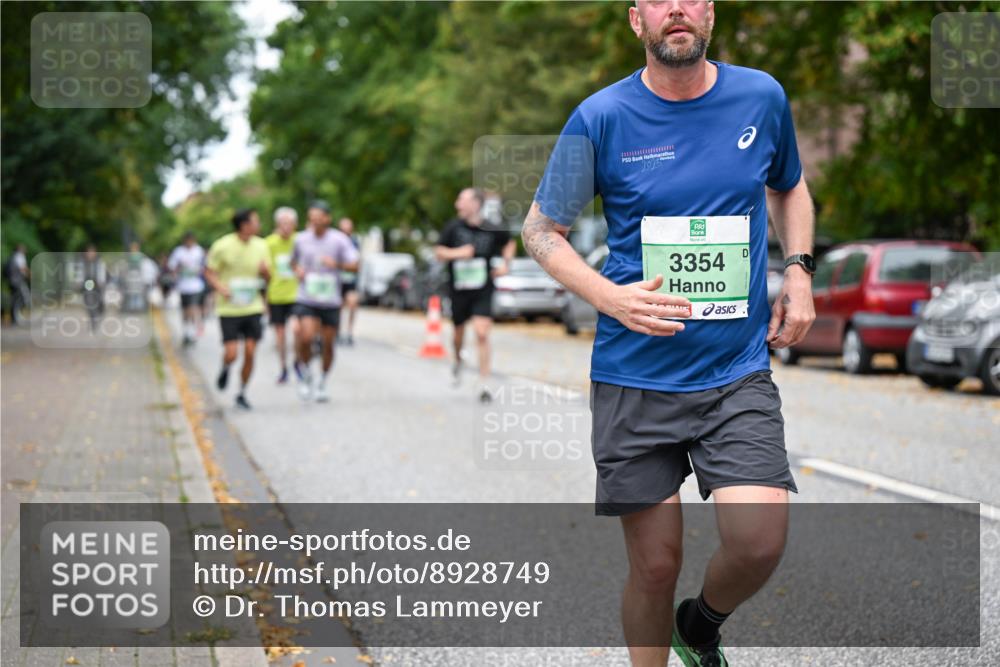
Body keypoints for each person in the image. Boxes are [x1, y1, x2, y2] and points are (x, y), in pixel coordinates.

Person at [522, 2, 817, 665]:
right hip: (635, 376)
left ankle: (700, 624)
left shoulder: (760, 97)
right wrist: (608, 296)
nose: (676, 8)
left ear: (710, 13)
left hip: (734, 371)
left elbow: (790, 187)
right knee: (655, 566)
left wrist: (799, 271)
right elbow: (540, 230)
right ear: (637, 20)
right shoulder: (600, 116)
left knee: (759, 541)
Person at [434, 187, 515, 403]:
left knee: (482, 332)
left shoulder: (491, 228)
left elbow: (509, 243)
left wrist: (506, 264)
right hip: (459, 289)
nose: (457, 204)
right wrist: (458, 253)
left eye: (462, 200)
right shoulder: (453, 227)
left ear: (476, 204)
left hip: (483, 287)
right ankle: (458, 360)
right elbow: (439, 252)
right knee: (458, 334)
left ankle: (484, 382)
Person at [291, 201, 360, 402]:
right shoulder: (301, 239)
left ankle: (322, 380)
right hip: (307, 297)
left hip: (330, 300)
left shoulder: (339, 240)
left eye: (319, 217)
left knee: (328, 345)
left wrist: (336, 264)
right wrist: (298, 270)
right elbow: (292, 262)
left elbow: (355, 265)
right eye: (312, 217)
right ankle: (305, 374)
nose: (315, 221)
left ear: (327, 219)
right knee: (305, 338)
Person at [204, 209, 272, 410]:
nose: (258, 224)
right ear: (244, 225)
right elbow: (209, 272)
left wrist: (266, 273)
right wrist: (220, 288)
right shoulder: (222, 245)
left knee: (250, 352)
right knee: (232, 353)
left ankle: (242, 392)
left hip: (253, 306)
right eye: (255, 221)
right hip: (229, 309)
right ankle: (226, 366)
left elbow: (268, 278)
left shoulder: (262, 245)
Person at [265, 207, 300, 382]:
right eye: (283, 223)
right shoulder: (268, 243)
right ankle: (283, 367)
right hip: (276, 295)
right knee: (280, 335)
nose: (286, 227)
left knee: (297, 329)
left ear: (295, 224)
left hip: (297, 294)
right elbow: (264, 272)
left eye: (289, 223)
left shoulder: (300, 240)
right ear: (277, 224)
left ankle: (298, 362)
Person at [167, 232, 206, 345]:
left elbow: (205, 266)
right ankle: (186, 332)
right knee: (185, 310)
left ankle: (192, 332)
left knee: (192, 308)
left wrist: (198, 270)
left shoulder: (198, 251)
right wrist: (178, 271)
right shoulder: (178, 251)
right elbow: (172, 266)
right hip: (183, 286)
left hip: (196, 286)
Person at [337, 217, 362, 346]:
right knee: (338, 307)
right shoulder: (334, 241)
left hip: (350, 280)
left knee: (352, 304)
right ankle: (337, 331)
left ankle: (349, 333)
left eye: (348, 230)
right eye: (343, 230)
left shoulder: (355, 242)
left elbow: (357, 263)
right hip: (337, 280)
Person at [80, 244, 106, 333]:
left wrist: (101, 282)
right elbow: (80, 273)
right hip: (88, 283)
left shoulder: (99, 261)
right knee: (89, 303)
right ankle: (93, 320)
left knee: (99, 302)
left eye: (92, 252)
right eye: (89, 252)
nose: (90, 254)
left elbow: (102, 272)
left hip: (98, 284)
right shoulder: (83, 262)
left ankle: (98, 314)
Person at [4, 243, 30, 324]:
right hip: (17, 281)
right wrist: (30, 275)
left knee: (14, 299)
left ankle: (14, 318)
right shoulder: (20, 256)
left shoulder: (13, 256)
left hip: (11, 281)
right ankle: (17, 317)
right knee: (22, 298)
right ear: (20, 249)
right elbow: (23, 268)